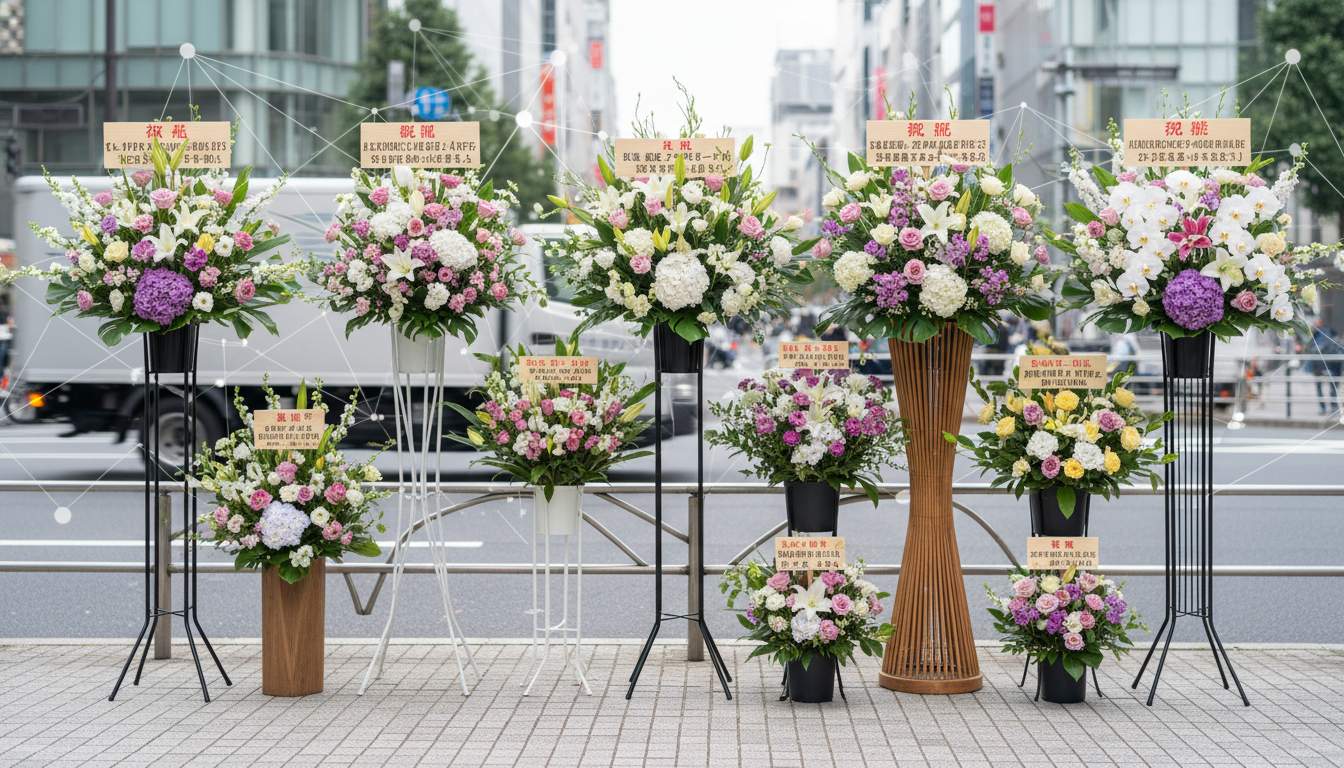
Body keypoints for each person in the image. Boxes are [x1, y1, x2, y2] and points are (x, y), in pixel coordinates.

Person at [1305, 318, 1343, 415]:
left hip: (1328, 363)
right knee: (1327, 386)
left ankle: (1330, 407)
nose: (1315, 324)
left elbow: (1313, 348)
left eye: (1317, 322)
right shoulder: (1316, 333)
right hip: (1322, 364)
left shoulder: (1325, 332)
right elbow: (1310, 347)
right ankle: (1328, 407)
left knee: (1330, 386)